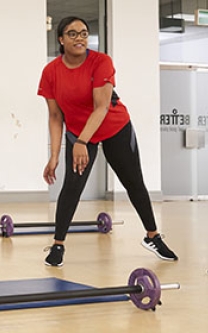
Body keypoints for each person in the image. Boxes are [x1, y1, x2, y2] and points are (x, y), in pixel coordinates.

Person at [37, 17, 178, 266]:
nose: (79, 38)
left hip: (114, 127)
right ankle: (58, 245)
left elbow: (101, 107)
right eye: (72, 33)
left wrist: (81, 142)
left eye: (83, 33)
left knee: (134, 182)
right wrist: (55, 155)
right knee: (72, 187)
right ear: (60, 39)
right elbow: (55, 115)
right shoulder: (51, 72)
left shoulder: (101, 62)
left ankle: (152, 236)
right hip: (79, 133)